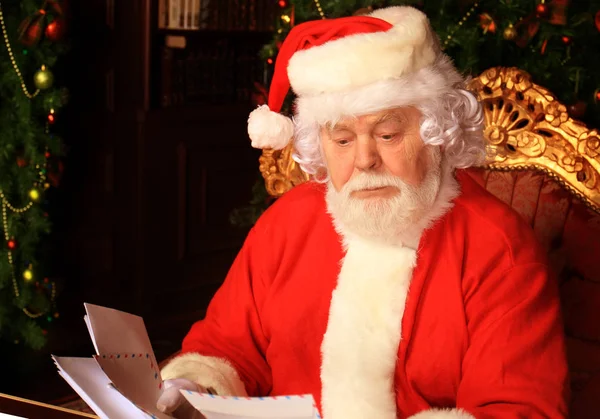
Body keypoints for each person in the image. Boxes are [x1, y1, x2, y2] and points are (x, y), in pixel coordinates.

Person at [157, 6, 569, 419]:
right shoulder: (284, 224)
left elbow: (519, 409)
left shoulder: (500, 249)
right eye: (341, 139)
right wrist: (194, 388)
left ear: (436, 133)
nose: (365, 159)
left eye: (387, 134)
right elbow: (226, 347)